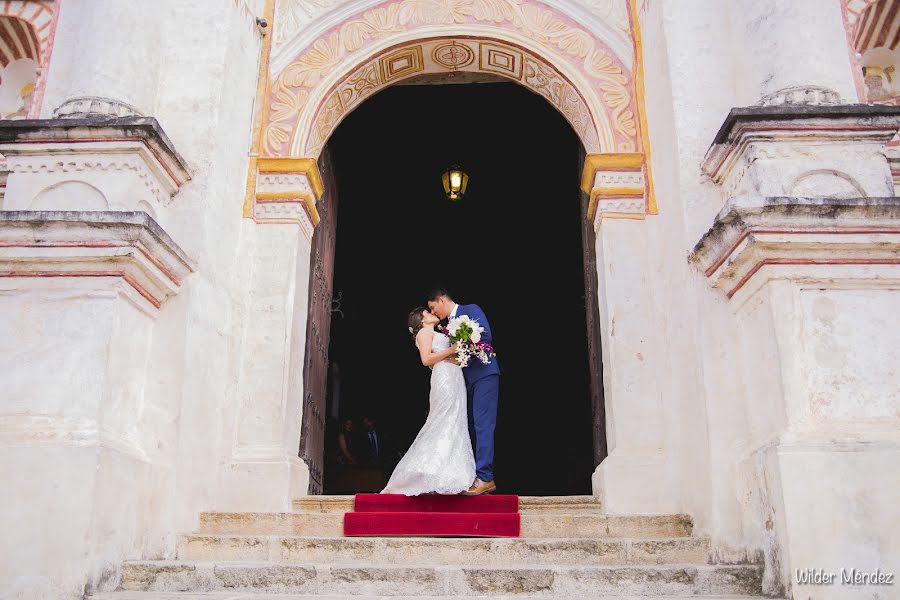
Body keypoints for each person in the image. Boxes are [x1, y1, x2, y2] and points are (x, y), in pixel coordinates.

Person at [381, 307, 475, 495]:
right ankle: (424, 472)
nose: (432, 313)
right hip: (444, 380)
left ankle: (450, 475)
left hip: (455, 377)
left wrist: (461, 353)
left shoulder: (437, 333)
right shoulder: (424, 332)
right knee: (443, 420)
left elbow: (446, 357)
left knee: (456, 421)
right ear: (422, 320)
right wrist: (452, 349)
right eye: (427, 312)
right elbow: (426, 359)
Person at [427, 288, 500, 496]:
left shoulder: (470, 309)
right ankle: (471, 476)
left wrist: (460, 353)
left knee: (483, 424)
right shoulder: (448, 325)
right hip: (464, 382)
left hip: (484, 374)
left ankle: (485, 477)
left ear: (441, 300)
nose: (434, 312)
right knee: (469, 427)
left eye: (433, 307)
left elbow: (485, 337)